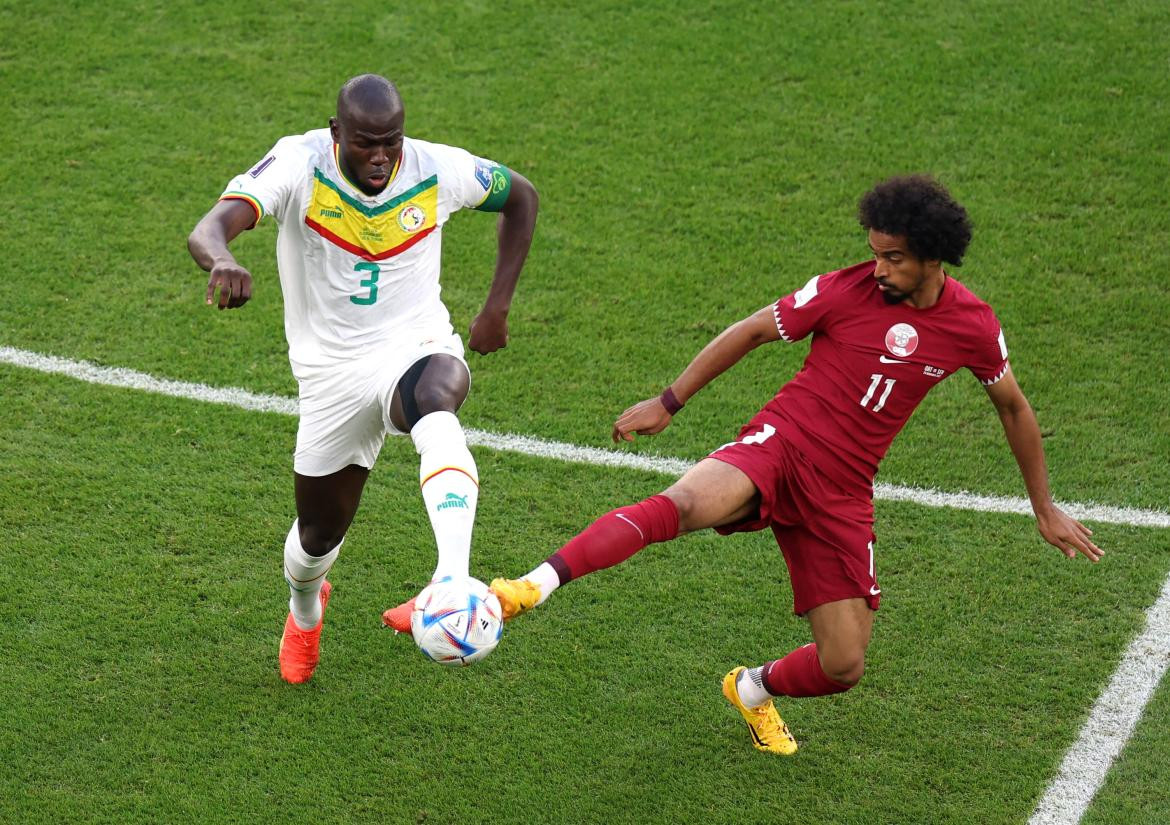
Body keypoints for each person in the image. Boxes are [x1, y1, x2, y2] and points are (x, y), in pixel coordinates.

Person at [488, 175, 1100, 755]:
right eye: (875, 253)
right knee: (680, 506)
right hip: (781, 446)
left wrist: (1043, 509)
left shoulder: (972, 325)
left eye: (892, 258)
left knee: (843, 665)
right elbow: (752, 331)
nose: (878, 268)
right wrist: (668, 401)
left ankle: (750, 689)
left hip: (843, 493)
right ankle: (525, 590)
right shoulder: (843, 290)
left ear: (933, 256)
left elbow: (1014, 408)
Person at [187, 74, 539, 684]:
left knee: (438, 399)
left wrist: (497, 307)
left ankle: (450, 580)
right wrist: (222, 258)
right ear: (336, 133)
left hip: (414, 343)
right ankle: (304, 613)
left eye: (391, 142)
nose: (380, 157)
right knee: (317, 537)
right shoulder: (298, 163)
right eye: (365, 143)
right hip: (330, 374)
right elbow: (209, 226)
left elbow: (522, 197)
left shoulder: (436, 168)